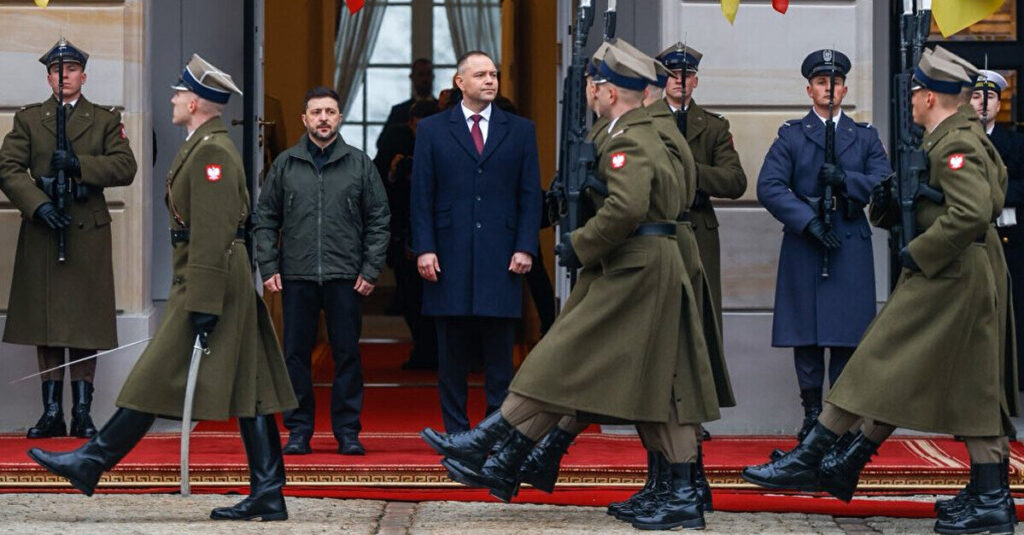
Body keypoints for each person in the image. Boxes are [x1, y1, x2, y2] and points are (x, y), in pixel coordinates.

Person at [421, 42, 725, 531]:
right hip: (641, 263)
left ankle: (490, 442)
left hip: (635, 268)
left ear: (608, 91)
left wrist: (581, 243)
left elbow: (627, 208)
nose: (589, 91)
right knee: (659, 382)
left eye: (592, 84)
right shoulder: (638, 130)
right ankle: (676, 492)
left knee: (563, 357)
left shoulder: (631, 138)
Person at [742, 49, 1017, 535]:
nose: (910, 99)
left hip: (950, 272)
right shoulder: (948, 137)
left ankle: (814, 456)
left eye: (915, 91)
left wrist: (919, 251)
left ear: (929, 97)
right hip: (957, 270)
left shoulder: (957, 141)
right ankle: (988, 493)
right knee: (973, 382)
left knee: (877, 358)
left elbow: (972, 211)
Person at [27, 53, 298, 522]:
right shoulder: (204, 145)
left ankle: (91, 462)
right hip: (216, 278)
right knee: (253, 385)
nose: (172, 99)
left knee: (153, 375)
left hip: (209, 281)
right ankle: (269, 491)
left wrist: (204, 301)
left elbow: (213, 232)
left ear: (195, 103)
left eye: (179, 93)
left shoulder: (212, 153)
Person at [0, 39, 137, 439]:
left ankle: (81, 412)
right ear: (48, 78)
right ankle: (50, 412)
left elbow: (125, 166)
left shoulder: (104, 119)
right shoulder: (29, 119)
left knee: (83, 324)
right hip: (45, 229)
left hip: (85, 231)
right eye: (57, 71)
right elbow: (8, 167)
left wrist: (80, 165)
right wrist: (38, 204)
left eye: (72, 70)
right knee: (46, 323)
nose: (64, 77)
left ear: (84, 76)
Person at [756, 49, 891, 441]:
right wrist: (807, 220)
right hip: (807, 244)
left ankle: (839, 420)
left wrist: (847, 180)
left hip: (848, 243)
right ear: (809, 90)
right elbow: (769, 186)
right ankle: (812, 415)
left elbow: (884, 181)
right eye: (821, 82)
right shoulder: (792, 135)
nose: (828, 89)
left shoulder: (864, 136)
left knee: (847, 336)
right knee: (807, 335)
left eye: (835, 82)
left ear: (845, 89)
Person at [254, 86, 390, 456]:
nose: (323, 118)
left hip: (345, 275)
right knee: (295, 355)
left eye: (330, 112)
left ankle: (347, 431)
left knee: (347, 354)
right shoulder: (285, 164)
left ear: (339, 117)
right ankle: (298, 430)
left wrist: (370, 268)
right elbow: (265, 218)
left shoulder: (359, 164)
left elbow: (379, 220)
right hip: (296, 274)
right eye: (316, 112)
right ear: (305, 119)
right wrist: (268, 264)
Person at [410, 51, 541, 433]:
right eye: (481, 74)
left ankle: (493, 434)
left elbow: (529, 194)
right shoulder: (433, 129)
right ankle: (456, 434)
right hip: (448, 256)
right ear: (460, 82)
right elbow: (422, 194)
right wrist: (424, 248)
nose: (489, 81)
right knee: (451, 356)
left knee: (499, 358)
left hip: (502, 256)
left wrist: (525, 246)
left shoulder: (520, 130)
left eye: (493, 74)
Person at [654, 43, 747, 333]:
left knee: (701, 317)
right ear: (663, 79)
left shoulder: (713, 126)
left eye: (687, 74)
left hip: (698, 226)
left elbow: (735, 181)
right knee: (658, 312)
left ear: (696, 81)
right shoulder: (646, 122)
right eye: (673, 74)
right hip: (658, 224)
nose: (680, 80)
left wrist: (693, 172)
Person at [378, 100, 440, 370]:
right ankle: (422, 347)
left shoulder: (446, 145)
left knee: (434, 297)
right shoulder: (397, 140)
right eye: (416, 127)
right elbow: (379, 182)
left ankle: (434, 350)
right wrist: (395, 174)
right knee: (408, 295)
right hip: (403, 228)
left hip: (438, 232)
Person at [972, 70, 1024, 389]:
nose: (983, 103)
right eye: (977, 96)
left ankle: (1008, 381)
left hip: (1008, 238)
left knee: (1009, 311)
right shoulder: (960, 141)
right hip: (969, 238)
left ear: (999, 103)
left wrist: (991, 194)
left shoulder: (1015, 143)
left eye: (989, 97)